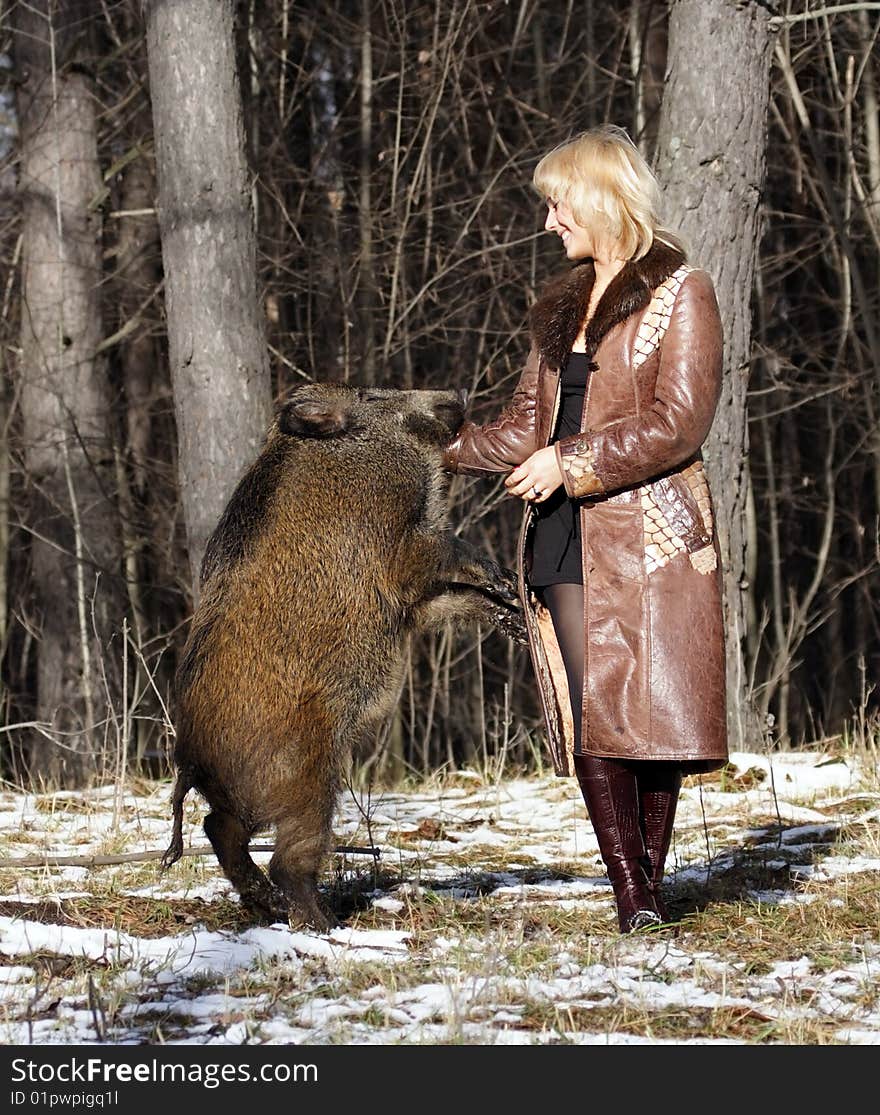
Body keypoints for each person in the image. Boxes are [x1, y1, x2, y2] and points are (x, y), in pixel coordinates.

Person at [443, 124, 728, 933]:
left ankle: (647, 889)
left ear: (601, 196)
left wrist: (572, 463)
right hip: (566, 534)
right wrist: (429, 448)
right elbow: (523, 427)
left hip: (652, 536)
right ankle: (634, 896)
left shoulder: (682, 290)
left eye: (558, 203)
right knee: (593, 707)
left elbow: (679, 422)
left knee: (651, 717)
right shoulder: (560, 307)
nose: (549, 221)